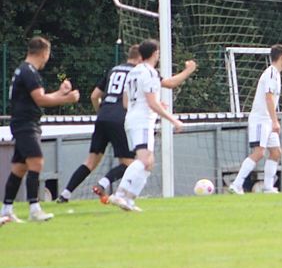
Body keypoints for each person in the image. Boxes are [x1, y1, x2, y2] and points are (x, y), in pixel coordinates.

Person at [57, 45, 197, 204]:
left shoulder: (113, 70)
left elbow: (94, 96)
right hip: (122, 118)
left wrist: (102, 112)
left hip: (103, 116)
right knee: (132, 163)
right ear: (141, 57)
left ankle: (65, 194)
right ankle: (105, 185)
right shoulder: (141, 71)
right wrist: (188, 70)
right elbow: (170, 83)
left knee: (90, 161)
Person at [2, 37, 80, 222]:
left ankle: (6, 209)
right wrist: (67, 99)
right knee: (36, 162)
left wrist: (61, 92)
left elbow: (39, 97)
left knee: (19, 168)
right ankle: (34, 208)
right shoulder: (29, 72)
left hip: (23, 123)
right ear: (45, 53)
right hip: (26, 124)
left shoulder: (24, 70)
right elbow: (41, 100)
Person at [108, 39, 188, 211]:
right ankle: (120, 194)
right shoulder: (150, 73)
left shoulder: (133, 72)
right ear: (155, 54)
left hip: (133, 119)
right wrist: (173, 120)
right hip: (142, 121)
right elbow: (151, 103)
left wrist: (153, 104)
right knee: (144, 160)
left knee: (148, 162)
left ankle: (129, 199)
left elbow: (126, 102)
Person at [229, 44, 282, 195]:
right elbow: (268, 97)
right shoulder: (271, 73)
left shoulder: (276, 74)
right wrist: (275, 121)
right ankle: (236, 185)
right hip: (261, 120)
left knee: (276, 152)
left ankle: (268, 187)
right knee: (259, 152)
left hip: (267, 120)